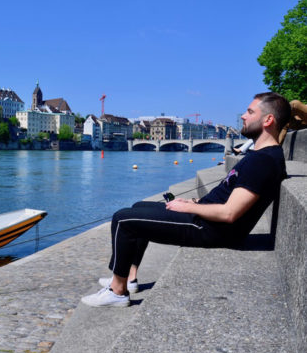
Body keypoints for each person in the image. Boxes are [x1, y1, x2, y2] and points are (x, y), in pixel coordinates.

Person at [81, 92, 291, 307]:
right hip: (207, 219)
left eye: (250, 112)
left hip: (211, 229)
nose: (244, 116)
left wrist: (187, 207)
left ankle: (118, 291)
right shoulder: (262, 156)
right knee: (138, 207)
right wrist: (196, 203)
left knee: (123, 219)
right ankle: (129, 277)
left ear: (268, 120)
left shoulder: (263, 161)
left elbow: (230, 213)